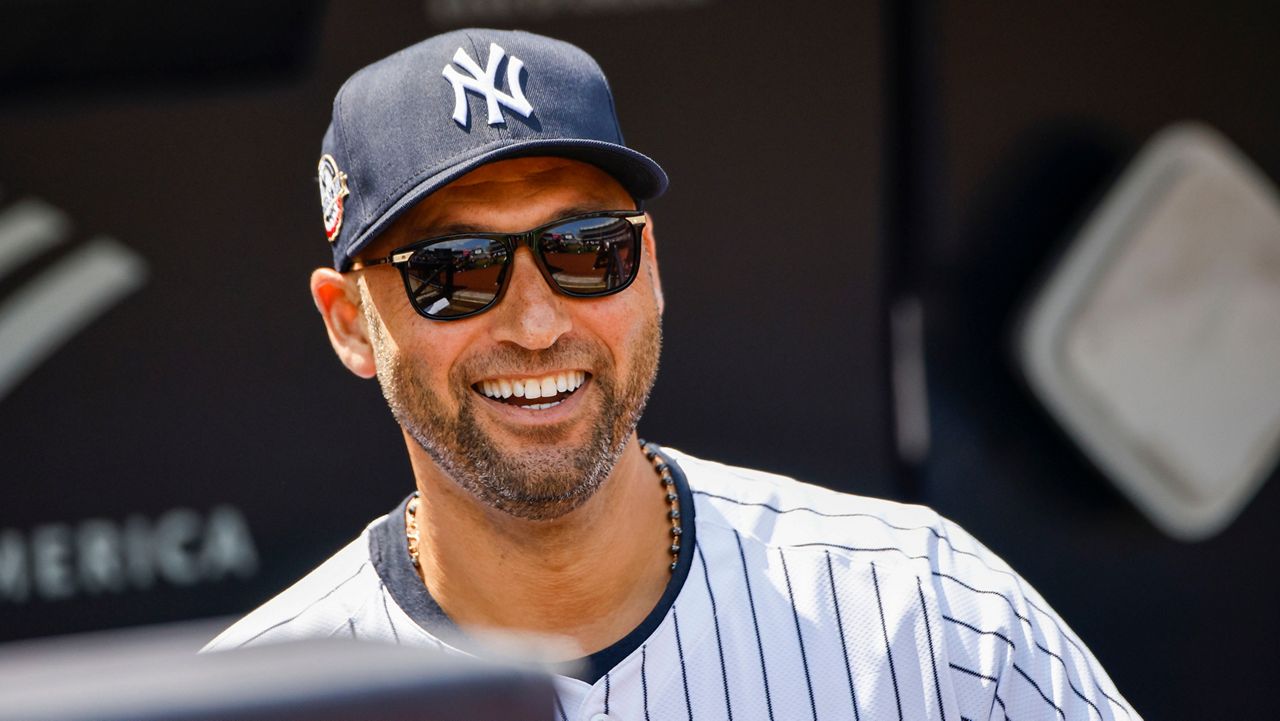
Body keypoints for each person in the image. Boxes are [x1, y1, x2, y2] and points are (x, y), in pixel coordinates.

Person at [206, 28, 1140, 721]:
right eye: (455, 271)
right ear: (349, 322)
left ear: (648, 267)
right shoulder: (251, 700)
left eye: (585, 250)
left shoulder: (928, 618)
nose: (537, 323)